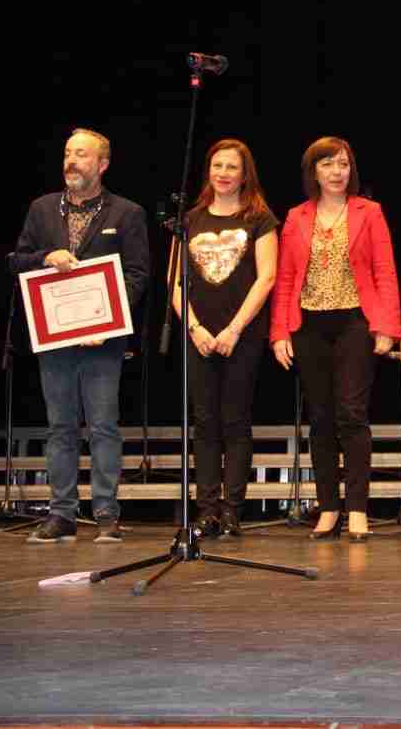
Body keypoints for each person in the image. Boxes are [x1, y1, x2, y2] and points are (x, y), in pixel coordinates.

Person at [10, 127, 149, 543]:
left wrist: (104, 323)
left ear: (102, 164)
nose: (71, 161)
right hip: (54, 338)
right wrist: (44, 258)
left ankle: (106, 512)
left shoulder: (126, 213)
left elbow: (138, 275)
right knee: (60, 427)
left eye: (82, 154)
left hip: (102, 342)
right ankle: (62, 513)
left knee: (104, 425)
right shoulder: (42, 209)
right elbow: (17, 261)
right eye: (68, 153)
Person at [270, 137, 401, 542]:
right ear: (314, 171)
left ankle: (358, 509)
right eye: (327, 164)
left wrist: (388, 328)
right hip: (308, 325)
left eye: (343, 164)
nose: (336, 171)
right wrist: (279, 333)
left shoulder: (370, 212)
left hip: (355, 324)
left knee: (352, 414)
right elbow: (286, 276)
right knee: (321, 418)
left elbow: (385, 271)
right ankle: (328, 509)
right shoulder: (295, 216)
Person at [171, 138, 277, 539]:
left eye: (232, 167)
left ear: (244, 173)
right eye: (218, 166)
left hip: (242, 336)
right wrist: (195, 329)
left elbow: (267, 277)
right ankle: (206, 511)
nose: (224, 174)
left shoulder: (260, 219)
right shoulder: (189, 219)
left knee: (235, 421)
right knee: (204, 423)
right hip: (199, 335)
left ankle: (233, 510)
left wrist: (234, 330)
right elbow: (175, 283)